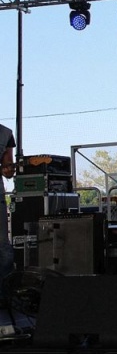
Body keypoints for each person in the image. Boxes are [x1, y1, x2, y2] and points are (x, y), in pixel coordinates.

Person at [0, 124, 16, 303]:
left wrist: (9, 169)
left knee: (3, 247)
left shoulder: (5, 134)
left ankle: (5, 297)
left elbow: (8, 170)